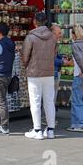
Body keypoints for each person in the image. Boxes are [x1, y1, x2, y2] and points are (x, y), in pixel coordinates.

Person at [21, 12, 57, 140]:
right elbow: (54, 54)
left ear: (35, 21)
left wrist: (27, 65)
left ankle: (37, 130)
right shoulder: (53, 37)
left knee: (35, 101)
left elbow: (25, 55)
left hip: (34, 72)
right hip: (49, 72)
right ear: (46, 21)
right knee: (49, 101)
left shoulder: (31, 37)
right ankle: (51, 130)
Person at [66, 25, 83, 133]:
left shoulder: (75, 45)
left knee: (77, 101)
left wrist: (82, 70)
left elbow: (78, 58)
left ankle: (78, 124)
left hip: (80, 75)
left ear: (74, 34)